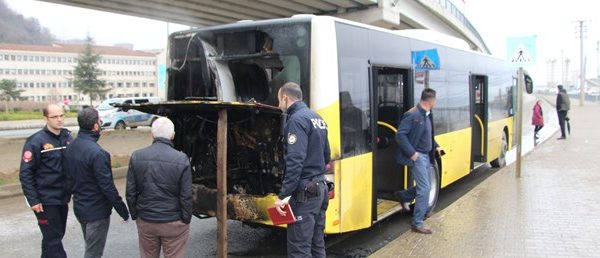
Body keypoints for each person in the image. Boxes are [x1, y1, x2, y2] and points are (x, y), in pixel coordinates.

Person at [273, 82, 331, 257]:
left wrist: (284, 196)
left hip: (305, 194)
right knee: (317, 244)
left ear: (285, 97)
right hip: (320, 189)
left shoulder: (296, 121)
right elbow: (326, 156)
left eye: (278, 101)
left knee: (299, 248)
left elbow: (295, 160)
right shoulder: (317, 118)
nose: (278, 106)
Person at [64, 108, 129, 258]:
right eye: (99, 120)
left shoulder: (71, 147)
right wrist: (123, 210)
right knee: (93, 253)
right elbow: (107, 187)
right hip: (97, 213)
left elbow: (68, 178)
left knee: (91, 246)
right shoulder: (98, 154)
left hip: (80, 208)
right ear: (95, 126)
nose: (100, 123)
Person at [126, 117, 192, 258]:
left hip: (146, 220)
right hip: (174, 222)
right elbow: (186, 195)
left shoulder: (137, 156)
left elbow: (130, 192)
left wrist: (135, 215)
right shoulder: (181, 159)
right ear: (173, 135)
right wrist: (186, 219)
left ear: (152, 134)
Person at [19, 104, 72, 258]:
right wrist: (33, 200)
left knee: (54, 237)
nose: (59, 120)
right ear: (45, 118)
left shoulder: (67, 137)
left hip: (63, 198)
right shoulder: (36, 141)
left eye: (61, 115)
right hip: (45, 200)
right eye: (55, 117)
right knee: (54, 239)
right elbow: (26, 173)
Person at [394, 88, 442, 234]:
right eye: (435, 100)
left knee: (425, 186)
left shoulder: (427, 114)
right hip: (418, 157)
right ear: (431, 101)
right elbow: (400, 135)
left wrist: (436, 146)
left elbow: (427, 135)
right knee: (425, 189)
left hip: (427, 156)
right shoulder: (412, 115)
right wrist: (412, 153)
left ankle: (403, 196)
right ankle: (417, 223)